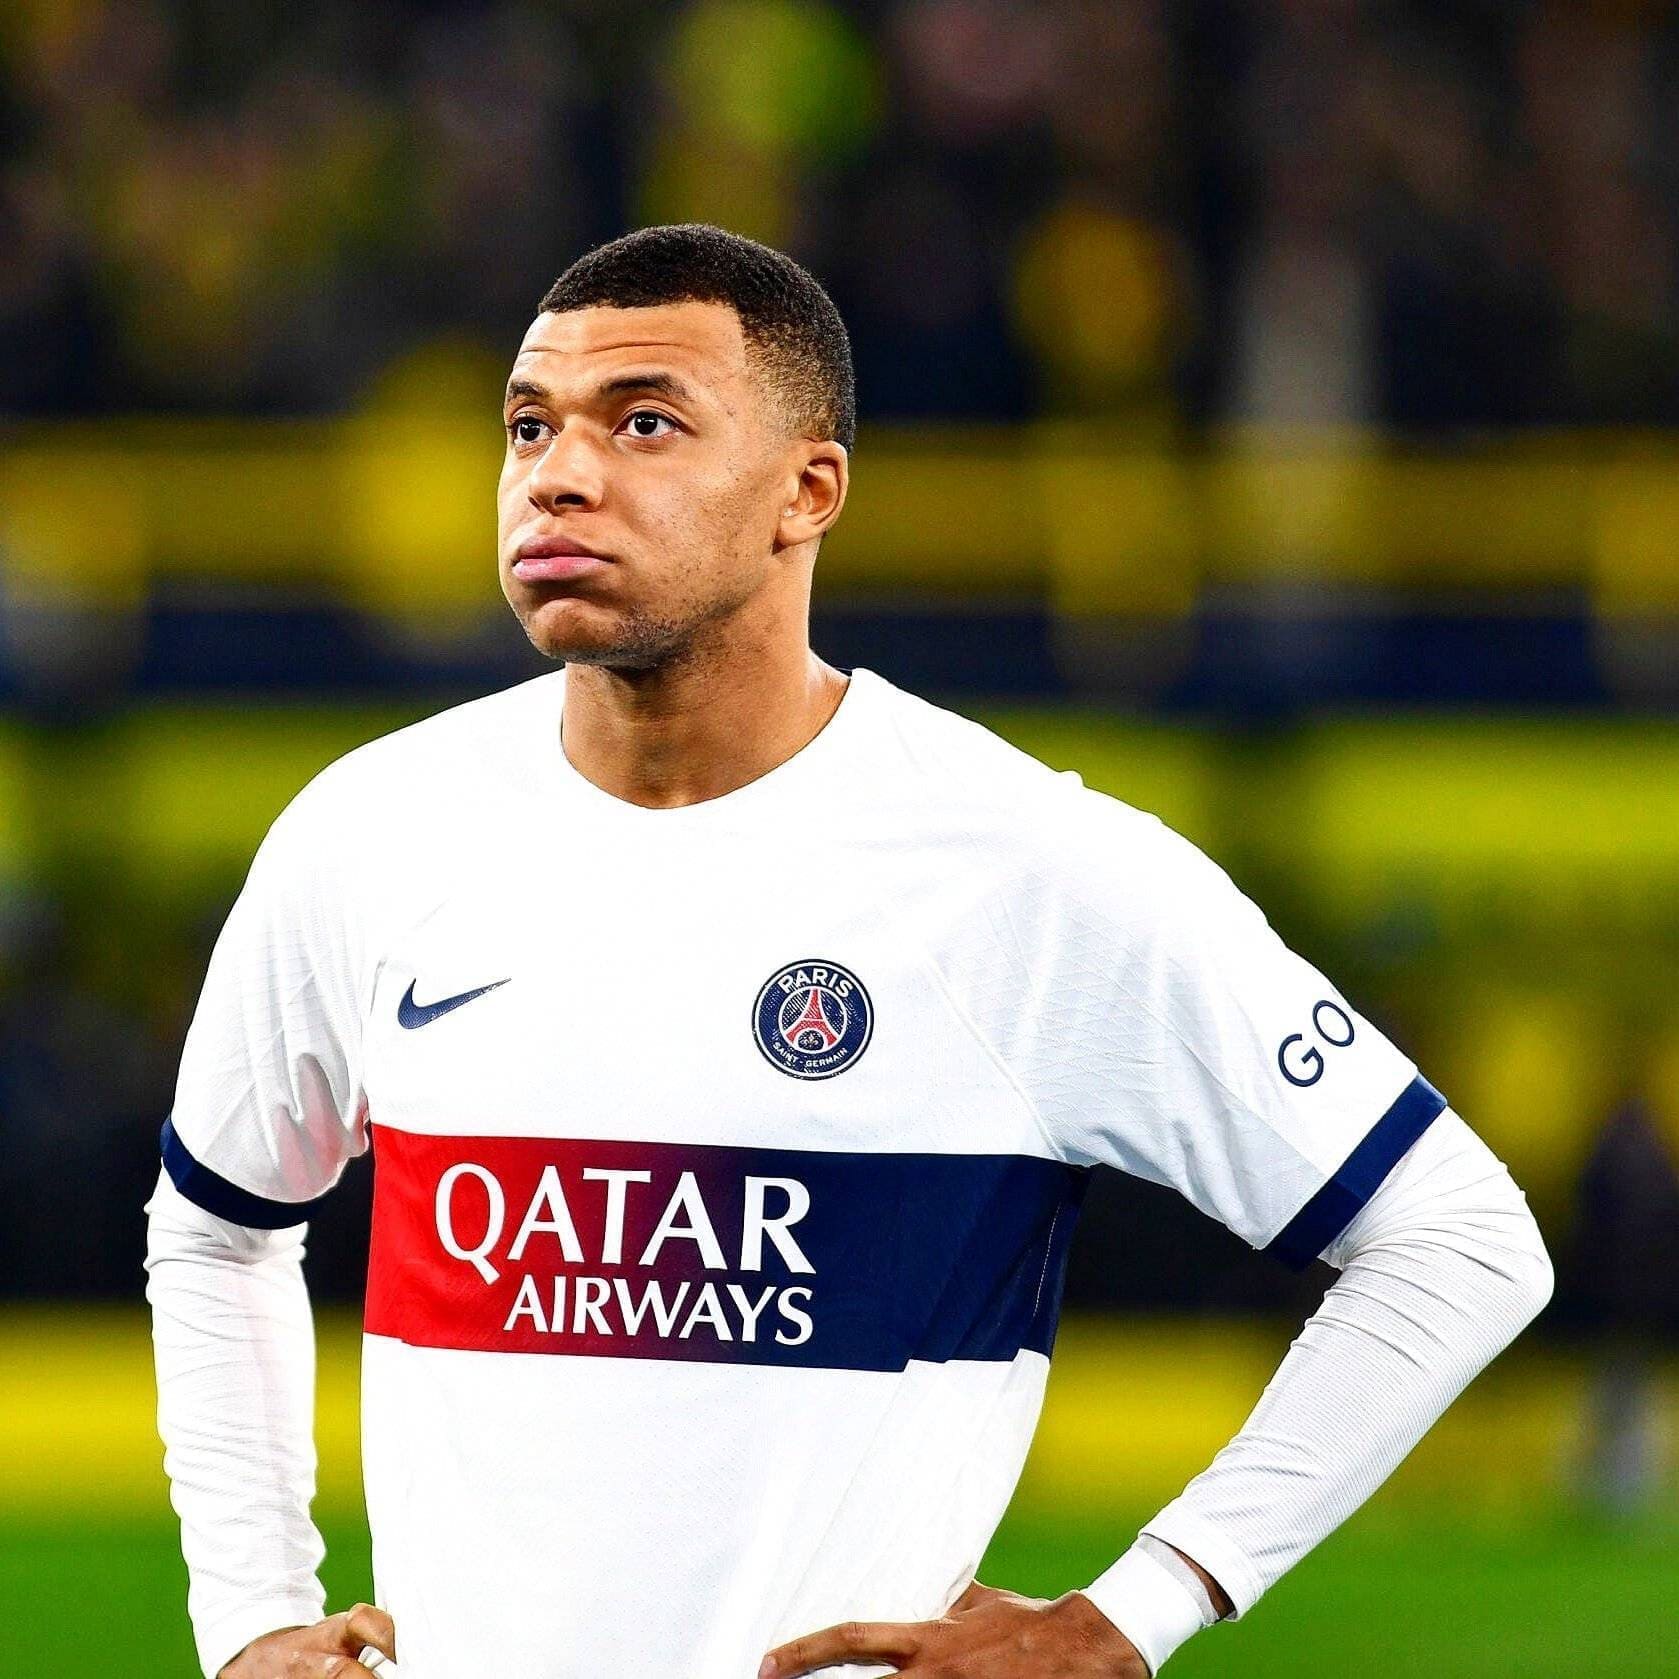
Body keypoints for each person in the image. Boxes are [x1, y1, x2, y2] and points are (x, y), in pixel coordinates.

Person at [146, 224, 1552, 1679]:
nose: (558, 474)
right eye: (528, 426)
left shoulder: (1024, 867)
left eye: (644, 422)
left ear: (806, 492)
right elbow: (214, 1224)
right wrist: (249, 1615)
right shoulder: (370, 832)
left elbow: (1457, 1239)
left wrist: (1136, 1614)